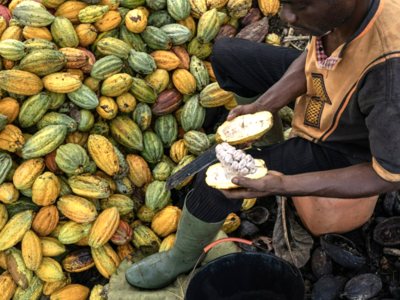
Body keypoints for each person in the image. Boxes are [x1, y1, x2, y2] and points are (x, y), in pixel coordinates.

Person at [126, 0, 400, 289]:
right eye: (284, 3)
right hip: (326, 95)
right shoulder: (339, 13)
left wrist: (281, 185)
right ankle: (266, 142)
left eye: (301, 7)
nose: (286, 16)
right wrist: (262, 107)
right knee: (226, 55)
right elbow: (313, 58)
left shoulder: (390, 76)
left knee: (217, 183)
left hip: (342, 144)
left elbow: (388, 174)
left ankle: (181, 257)